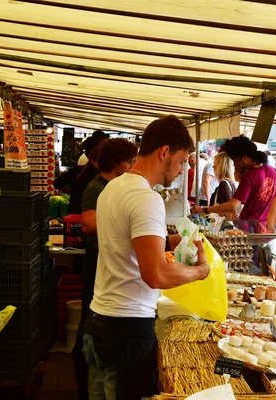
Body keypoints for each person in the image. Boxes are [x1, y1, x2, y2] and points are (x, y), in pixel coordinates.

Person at [83, 115, 210, 400]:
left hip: (99, 322)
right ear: (164, 152)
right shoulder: (146, 198)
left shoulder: (112, 187)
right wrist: (201, 271)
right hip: (127, 330)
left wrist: (173, 247)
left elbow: (129, 248)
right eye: (181, 161)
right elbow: (156, 275)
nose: (181, 170)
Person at [73, 139, 138, 400]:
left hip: (107, 265)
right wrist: (125, 227)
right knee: (91, 332)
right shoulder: (96, 187)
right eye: (129, 161)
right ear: (116, 162)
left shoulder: (113, 187)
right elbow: (88, 224)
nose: (132, 166)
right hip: (97, 266)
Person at [191, 135, 276, 225]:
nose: (234, 164)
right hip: (266, 227)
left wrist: (204, 210)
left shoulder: (250, 177)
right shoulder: (273, 171)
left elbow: (233, 206)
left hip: (248, 228)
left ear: (244, 158)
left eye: (235, 160)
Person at [209, 152, 237, 218]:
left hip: (220, 224)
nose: (213, 166)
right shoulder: (232, 182)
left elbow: (222, 212)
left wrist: (206, 210)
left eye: (214, 163)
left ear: (220, 166)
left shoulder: (223, 184)